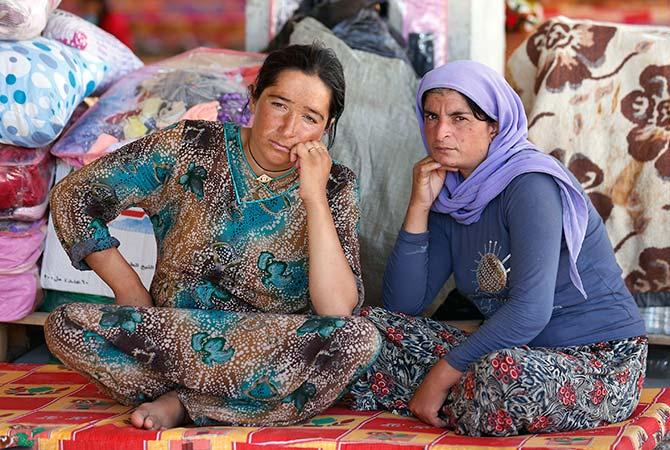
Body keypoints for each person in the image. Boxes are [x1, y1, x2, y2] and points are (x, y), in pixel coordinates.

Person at [44, 44, 380, 430]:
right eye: (280, 105)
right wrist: (128, 288)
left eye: (310, 118)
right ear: (254, 96)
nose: (289, 130)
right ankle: (229, 403)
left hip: (270, 350)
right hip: (170, 339)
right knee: (66, 325)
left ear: (328, 125)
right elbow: (75, 195)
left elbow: (336, 310)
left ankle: (186, 403)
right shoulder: (188, 147)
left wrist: (314, 197)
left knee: (358, 340)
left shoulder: (336, 186)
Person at [351, 60, 647, 436]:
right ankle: (464, 402)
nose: (440, 132)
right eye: (431, 116)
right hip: (514, 351)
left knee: (499, 376)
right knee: (369, 330)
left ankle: (447, 396)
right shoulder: (451, 193)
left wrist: (443, 374)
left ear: (495, 126)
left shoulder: (531, 185)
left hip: (597, 358)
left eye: (460, 118)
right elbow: (403, 307)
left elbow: (529, 311)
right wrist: (419, 207)